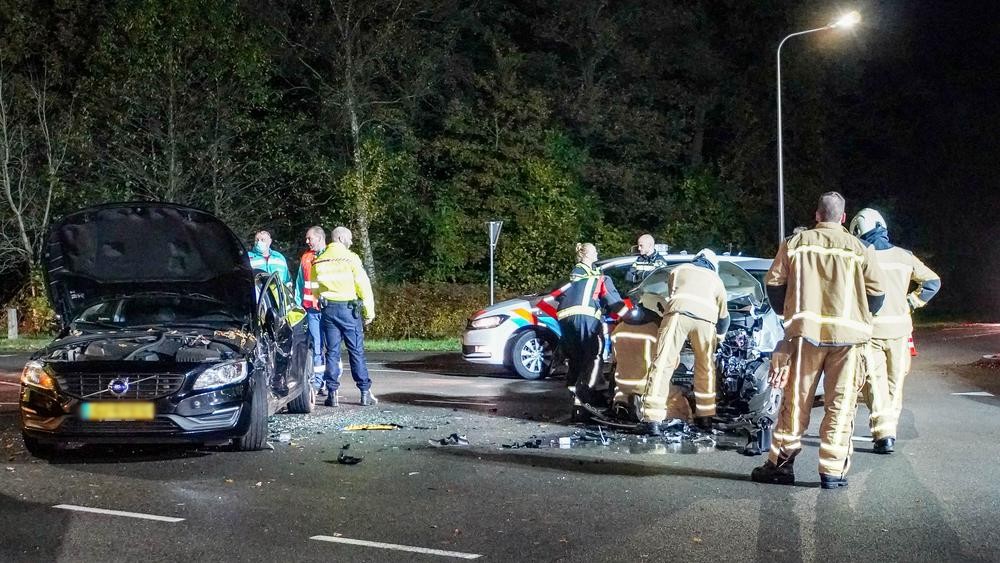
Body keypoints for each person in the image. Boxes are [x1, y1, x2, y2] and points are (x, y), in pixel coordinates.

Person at [751, 192, 886, 490]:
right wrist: (859, 317)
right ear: (843, 217)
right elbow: (878, 294)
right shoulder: (861, 248)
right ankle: (833, 472)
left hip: (804, 336)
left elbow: (773, 283)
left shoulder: (794, 244)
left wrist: (789, 313)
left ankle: (781, 466)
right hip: (849, 341)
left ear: (816, 215)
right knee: (840, 405)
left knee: (796, 402)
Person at [849, 208, 941, 454]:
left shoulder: (860, 257)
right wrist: (912, 301)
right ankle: (891, 431)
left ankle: (883, 433)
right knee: (894, 383)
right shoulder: (904, 256)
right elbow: (933, 282)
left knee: (875, 384)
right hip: (900, 331)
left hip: (871, 332)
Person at [636, 249, 729, 435]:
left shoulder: (678, 270)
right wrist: (719, 339)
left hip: (678, 315)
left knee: (663, 364)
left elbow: (672, 294)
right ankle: (705, 417)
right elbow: (724, 318)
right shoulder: (716, 280)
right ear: (714, 266)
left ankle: (652, 419)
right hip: (706, 323)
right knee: (705, 368)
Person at [542, 243, 622, 422]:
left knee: (576, 359)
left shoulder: (569, 278)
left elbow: (548, 298)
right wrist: (632, 317)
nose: (597, 254)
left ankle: (577, 402)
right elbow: (615, 303)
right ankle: (587, 396)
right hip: (588, 321)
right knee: (594, 356)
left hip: (566, 322)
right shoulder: (599, 278)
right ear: (586, 256)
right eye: (594, 251)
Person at [311, 226, 377, 407]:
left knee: (332, 353)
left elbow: (315, 288)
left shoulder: (319, 260)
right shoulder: (351, 259)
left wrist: (320, 299)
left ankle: (332, 394)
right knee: (356, 352)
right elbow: (364, 286)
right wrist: (369, 312)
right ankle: (364, 393)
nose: (352, 242)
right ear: (340, 238)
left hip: (328, 310)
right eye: (350, 238)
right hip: (349, 310)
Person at [295, 226, 328, 394]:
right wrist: (297, 305)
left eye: (310, 238)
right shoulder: (306, 258)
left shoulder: (330, 256)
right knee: (316, 346)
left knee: (331, 348)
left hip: (329, 310)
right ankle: (317, 383)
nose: (307, 241)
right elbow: (300, 284)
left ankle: (332, 383)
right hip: (312, 310)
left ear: (320, 238)